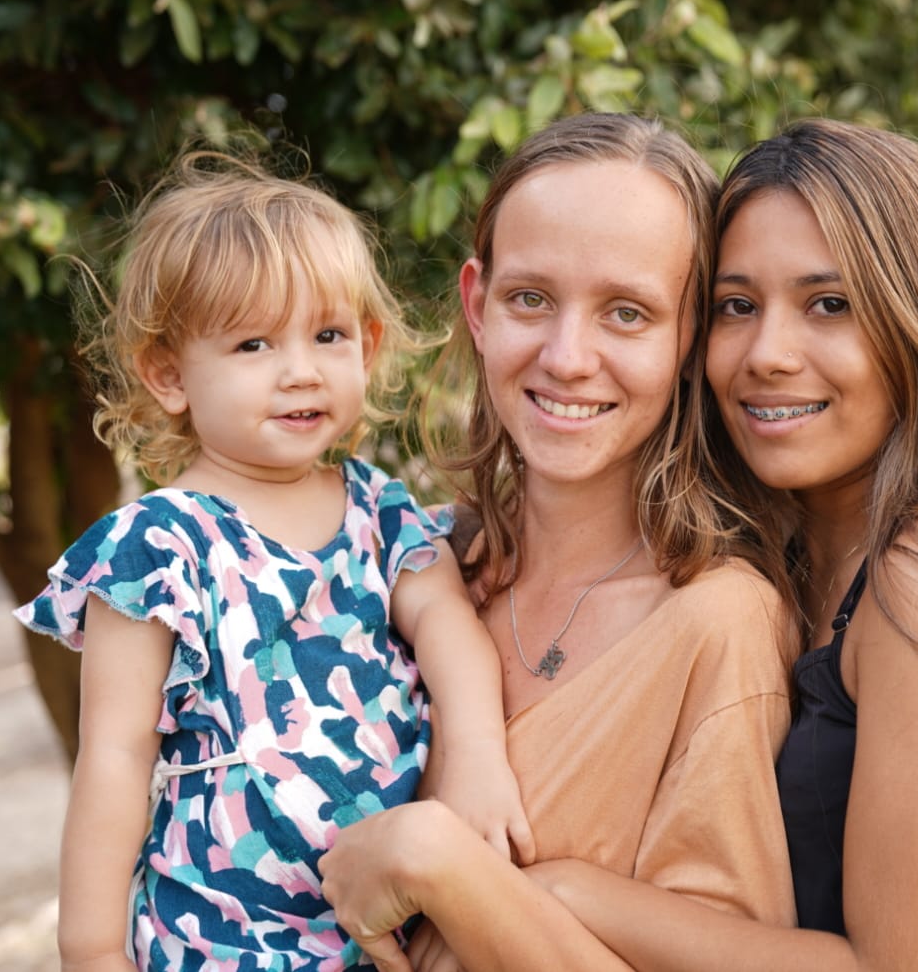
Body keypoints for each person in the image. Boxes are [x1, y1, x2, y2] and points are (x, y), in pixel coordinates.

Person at [507, 118, 918, 971]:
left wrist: (555, 892)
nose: (768, 354)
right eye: (736, 307)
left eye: (829, 305)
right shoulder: (782, 567)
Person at [12, 150, 532, 972]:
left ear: (365, 346)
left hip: (384, 923)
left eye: (327, 335)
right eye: (253, 344)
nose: (300, 370)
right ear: (168, 373)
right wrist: (91, 949)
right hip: (217, 936)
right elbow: (112, 759)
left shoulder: (381, 512)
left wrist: (475, 754)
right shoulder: (157, 548)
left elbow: (450, 628)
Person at [315, 113, 799, 970]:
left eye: (627, 312)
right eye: (531, 298)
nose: (569, 356)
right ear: (477, 304)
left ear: (690, 340)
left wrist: (442, 859)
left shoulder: (718, 626)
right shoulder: (409, 570)